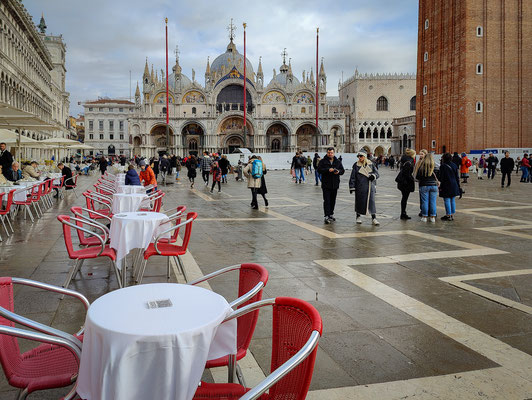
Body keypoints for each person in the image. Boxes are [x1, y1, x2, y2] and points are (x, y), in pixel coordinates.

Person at [349, 151, 380, 225]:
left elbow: (377, 174)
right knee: (359, 202)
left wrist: (373, 176)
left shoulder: (371, 164)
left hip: (370, 187)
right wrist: (352, 186)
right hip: (360, 187)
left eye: (361, 156)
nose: (359, 158)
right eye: (358, 156)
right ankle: (358, 216)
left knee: (371, 202)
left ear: (364, 156)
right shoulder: (356, 165)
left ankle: (374, 218)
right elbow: (353, 177)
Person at [317, 147, 345, 224]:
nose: (330, 154)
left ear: (334, 153)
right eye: (329, 153)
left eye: (331, 153)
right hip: (326, 184)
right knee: (327, 200)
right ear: (327, 153)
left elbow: (342, 171)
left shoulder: (338, 161)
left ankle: (331, 214)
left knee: (333, 200)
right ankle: (326, 215)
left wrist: (338, 171)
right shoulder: (323, 161)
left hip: (335, 184)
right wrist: (328, 170)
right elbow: (319, 170)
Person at [414, 151, 438, 223]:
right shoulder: (435, 167)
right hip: (434, 186)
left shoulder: (421, 167)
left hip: (424, 185)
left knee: (425, 201)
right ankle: (432, 217)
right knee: (433, 202)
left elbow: (417, 177)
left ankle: (424, 216)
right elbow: (439, 176)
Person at [439, 153, 461, 221]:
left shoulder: (443, 166)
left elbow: (441, 177)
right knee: (452, 200)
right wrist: (458, 186)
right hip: (454, 184)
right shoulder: (454, 165)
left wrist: (440, 186)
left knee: (447, 200)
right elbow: (457, 177)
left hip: (446, 184)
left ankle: (448, 214)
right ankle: (452, 214)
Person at [396, 148, 416, 220]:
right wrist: (412, 179)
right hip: (405, 183)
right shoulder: (408, 162)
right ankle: (403, 213)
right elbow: (407, 174)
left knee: (404, 198)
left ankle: (403, 212)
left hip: (402, 182)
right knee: (405, 198)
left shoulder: (404, 160)